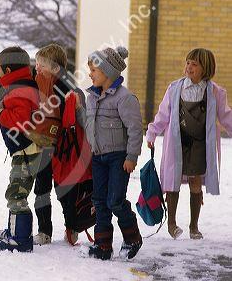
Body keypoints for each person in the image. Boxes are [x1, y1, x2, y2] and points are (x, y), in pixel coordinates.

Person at [146, 48, 232, 240]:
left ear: (205, 68)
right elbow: (163, 115)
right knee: (172, 181)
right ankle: (172, 224)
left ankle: (194, 226)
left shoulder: (215, 92)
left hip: (200, 145)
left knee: (195, 181)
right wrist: (152, 132)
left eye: (195, 64)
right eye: (188, 62)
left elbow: (227, 116)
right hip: (178, 142)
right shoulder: (175, 88)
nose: (189, 67)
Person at [73, 46, 143, 260]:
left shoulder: (125, 98)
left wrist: (131, 157)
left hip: (118, 158)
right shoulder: (92, 97)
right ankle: (103, 245)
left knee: (115, 200)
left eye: (94, 70)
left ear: (109, 72)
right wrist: (79, 110)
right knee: (99, 201)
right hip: (98, 157)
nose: (91, 74)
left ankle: (132, 237)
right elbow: (90, 124)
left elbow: (135, 129)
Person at [0, 46, 41, 252]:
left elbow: (20, 120)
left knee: (16, 194)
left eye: (0, 70)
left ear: (8, 71)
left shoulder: (20, 90)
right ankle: (16, 233)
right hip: (27, 151)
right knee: (18, 192)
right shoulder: (27, 85)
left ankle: (20, 238)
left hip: (26, 152)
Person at [32, 43, 73, 245]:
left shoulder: (64, 87)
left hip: (63, 146)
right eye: (36, 64)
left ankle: (71, 227)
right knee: (41, 188)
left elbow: (72, 113)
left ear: (56, 68)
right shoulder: (34, 84)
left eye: (42, 65)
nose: (37, 68)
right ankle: (44, 230)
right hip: (41, 145)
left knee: (64, 189)